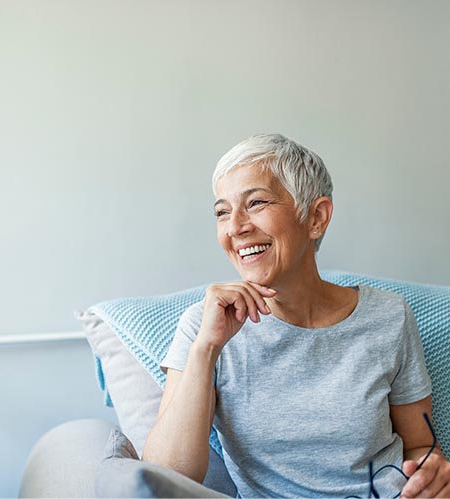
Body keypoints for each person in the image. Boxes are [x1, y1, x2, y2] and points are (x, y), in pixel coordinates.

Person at [142, 133, 450, 498]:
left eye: (255, 203)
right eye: (222, 211)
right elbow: (168, 477)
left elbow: (420, 446)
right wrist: (206, 348)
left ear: (316, 217)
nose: (235, 226)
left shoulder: (389, 316)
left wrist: (432, 476)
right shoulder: (204, 326)